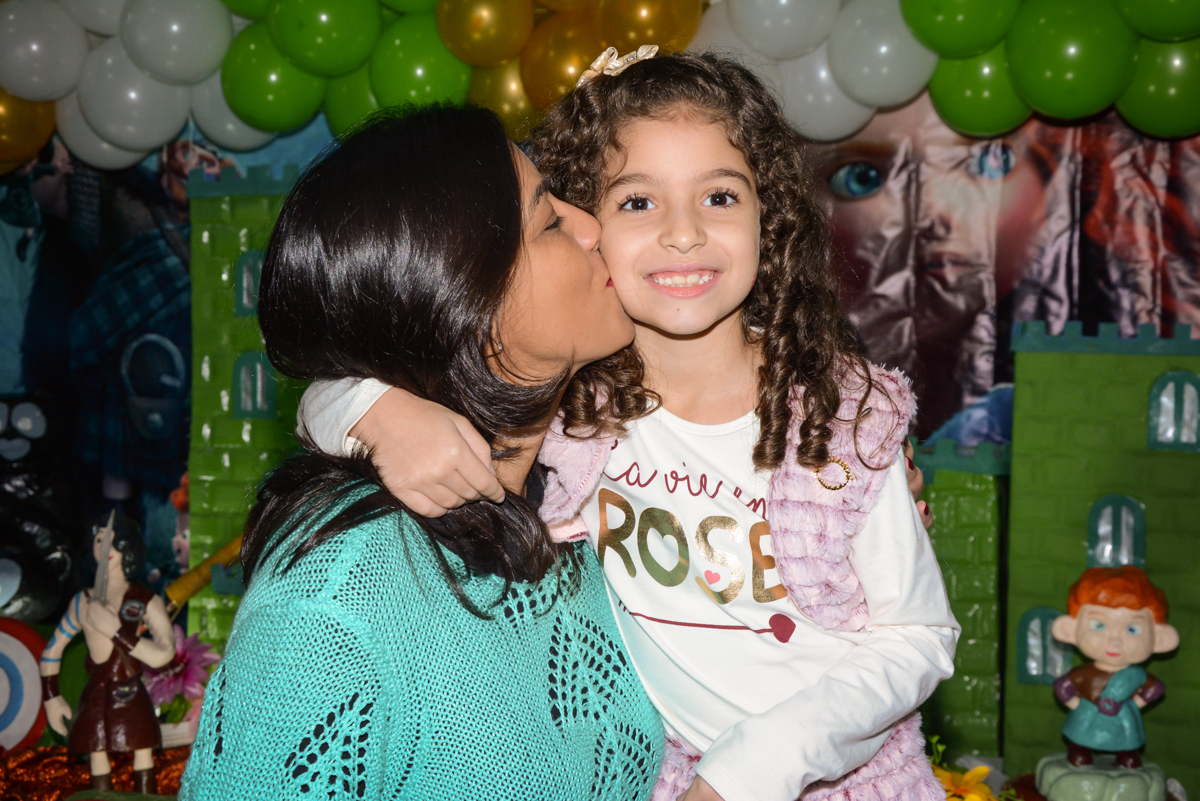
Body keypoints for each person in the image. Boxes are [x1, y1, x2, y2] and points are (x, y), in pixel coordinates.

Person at [301, 52, 958, 801]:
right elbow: (324, 401)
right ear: (587, 226)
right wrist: (374, 411)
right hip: (664, 779)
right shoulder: (577, 409)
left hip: (858, 784)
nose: (683, 233)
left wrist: (754, 767)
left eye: (719, 196)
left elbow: (920, 636)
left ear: (769, 216)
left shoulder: (844, 416)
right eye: (639, 202)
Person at [178, 105, 665, 800]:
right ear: (465, 302)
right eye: (549, 223)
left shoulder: (578, 491)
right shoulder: (338, 598)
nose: (590, 227)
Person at [39, 513, 176, 793]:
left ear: (129, 547)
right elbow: (52, 650)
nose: (106, 548)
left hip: (130, 690)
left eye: (114, 541)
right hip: (97, 692)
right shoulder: (83, 602)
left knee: (143, 750)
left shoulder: (146, 599)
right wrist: (52, 697)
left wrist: (117, 632)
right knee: (96, 753)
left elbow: (164, 654)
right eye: (100, 540)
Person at [1050, 566, 1179, 769]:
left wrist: (1136, 704)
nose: (1115, 642)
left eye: (1132, 629)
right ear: (1070, 630)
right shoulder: (1083, 674)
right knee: (1080, 738)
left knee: (1127, 742)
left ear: (1159, 639)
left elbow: (1155, 688)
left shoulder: (1136, 675)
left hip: (1123, 718)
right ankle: (1080, 751)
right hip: (1088, 715)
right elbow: (1062, 687)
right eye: (1099, 626)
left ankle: (1126, 755)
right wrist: (1077, 706)